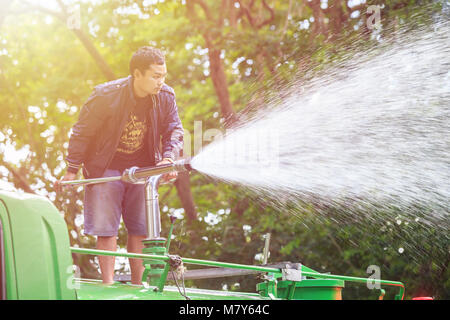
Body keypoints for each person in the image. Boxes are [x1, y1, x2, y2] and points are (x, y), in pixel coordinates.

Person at [56, 46, 184, 285]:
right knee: (106, 229)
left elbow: (174, 129)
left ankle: (138, 285)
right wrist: (71, 170)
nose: (161, 81)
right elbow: (82, 132)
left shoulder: (166, 96)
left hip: (143, 169)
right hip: (105, 169)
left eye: (163, 75)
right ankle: (108, 284)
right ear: (137, 74)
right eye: (155, 76)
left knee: (140, 229)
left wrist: (168, 160)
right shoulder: (105, 95)